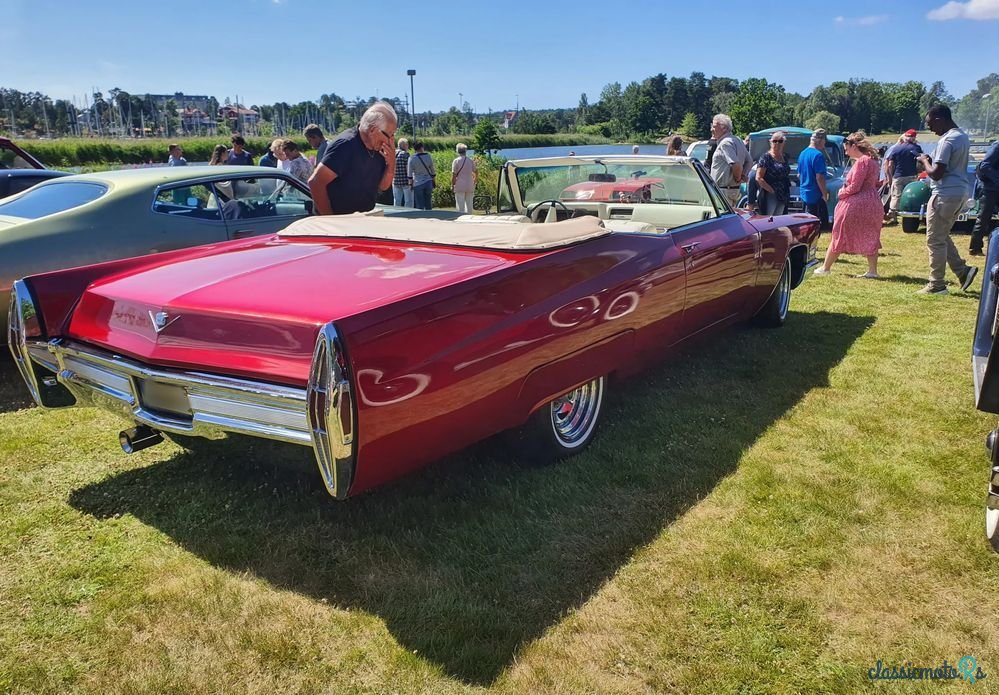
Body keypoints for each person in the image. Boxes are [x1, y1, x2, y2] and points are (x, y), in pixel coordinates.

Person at [916, 104, 977, 295]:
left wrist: (924, 161)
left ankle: (937, 284)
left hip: (944, 193)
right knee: (941, 235)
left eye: (930, 124)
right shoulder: (962, 137)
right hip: (960, 191)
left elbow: (936, 173)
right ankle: (963, 271)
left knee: (934, 239)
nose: (930, 129)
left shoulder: (947, 140)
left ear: (939, 119)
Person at [814, 131, 884, 278]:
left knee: (839, 233)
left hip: (856, 203)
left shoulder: (862, 162)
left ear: (854, 146)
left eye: (846, 148)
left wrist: (841, 193)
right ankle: (873, 271)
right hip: (873, 202)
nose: (845, 152)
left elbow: (855, 187)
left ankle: (826, 268)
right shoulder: (873, 161)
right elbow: (874, 183)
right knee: (871, 234)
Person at [308, 101, 397, 215]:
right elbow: (315, 182)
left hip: (363, 218)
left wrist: (391, 164)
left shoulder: (379, 149)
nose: (390, 141)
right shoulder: (345, 145)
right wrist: (330, 220)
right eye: (389, 135)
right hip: (338, 220)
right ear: (372, 130)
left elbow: (383, 186)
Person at [709, 114, 752, 206]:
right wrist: (743, 175)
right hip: (732, 190)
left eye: (714, 126)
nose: (711, 129)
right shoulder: (737, 140)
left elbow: (736, 164)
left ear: (724, 128)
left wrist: (738, 178)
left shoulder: (725, 143)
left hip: (723, 192)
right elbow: (749, 161)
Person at [883, 129, 923, 224]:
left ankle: (893, 216)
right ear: (914, 137)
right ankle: (910, 216)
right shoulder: (916, 148)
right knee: (910, 195)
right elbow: (920, 162)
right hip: (912, 175)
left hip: (898, 176)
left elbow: (890, 164)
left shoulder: (896, 148)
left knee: (896, 196)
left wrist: (890, 176)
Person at [969, 139, 999, 256]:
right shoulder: (997, 146)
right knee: (984, 218)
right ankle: (975, 248)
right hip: (989, 188)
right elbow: (985, 166)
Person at [798, 129, 830, 229]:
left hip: (804, 194)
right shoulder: (818, 155)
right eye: (824, 141)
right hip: (815, 195)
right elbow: (819, 177)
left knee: (806, 225)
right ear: (820, 140)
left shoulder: (802, 153)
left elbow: (799, 175)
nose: (825, 143)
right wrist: (824, 194)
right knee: (818, 226)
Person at [753, 130, 791, 216]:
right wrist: (772, 191)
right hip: (769, 193)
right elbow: (758, 178)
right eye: (774, 141)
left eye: (780, 141)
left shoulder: (785, 157)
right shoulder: (766, 157)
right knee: (768, 218)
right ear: (770, 142)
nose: (777, 143)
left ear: (784, 143)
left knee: (779, 219)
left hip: (783, 193)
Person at [408, 140, 436, 211]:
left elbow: (409, 173)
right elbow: (432, 170)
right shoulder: (428, 156)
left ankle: (421, 216)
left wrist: (410, 184)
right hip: (428, 181)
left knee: (419, 204)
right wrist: (433, 181)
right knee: (428, 203)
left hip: (418, 182)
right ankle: (430, 215)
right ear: (422, 147)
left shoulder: (411, 158)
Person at [451, 143, 477, 214]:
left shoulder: (456, 161)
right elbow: (476, 171)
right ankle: (470, 217)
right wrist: (475, 179)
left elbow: (454, 175)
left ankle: (461, 217)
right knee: (469, 205)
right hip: (469, 185)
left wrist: (452, 185)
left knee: (460, 206)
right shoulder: (470, 160)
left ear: (457, 151)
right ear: (465, 151)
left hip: (459, 185)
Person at [392, 138, 412, 207]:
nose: (408, 146)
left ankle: (397, 212)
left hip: (395, 180)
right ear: (404, 145)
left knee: (397, 200)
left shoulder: (393, 153)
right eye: (407, 144)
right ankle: (409, 212)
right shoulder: (405, 154)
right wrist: (411, 180)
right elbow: (408, 168)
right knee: (408, 201)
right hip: (405, 181)